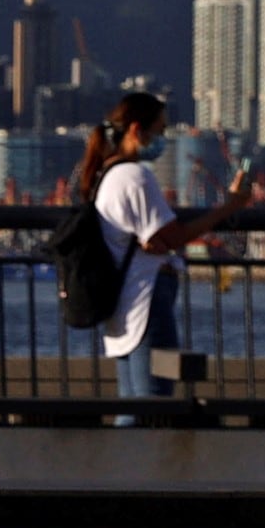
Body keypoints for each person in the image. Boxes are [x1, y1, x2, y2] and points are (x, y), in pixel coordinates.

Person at [80, 88, 224, 401]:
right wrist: (229, 208)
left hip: (122, 302)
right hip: (146, 300)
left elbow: (149, 236)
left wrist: (153, 241)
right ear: (136, 129)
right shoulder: (135, 176)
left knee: (132, 403)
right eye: (160, 131)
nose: (163, 140)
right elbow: (173, 236)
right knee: (154, 401)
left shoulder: (107, 175)